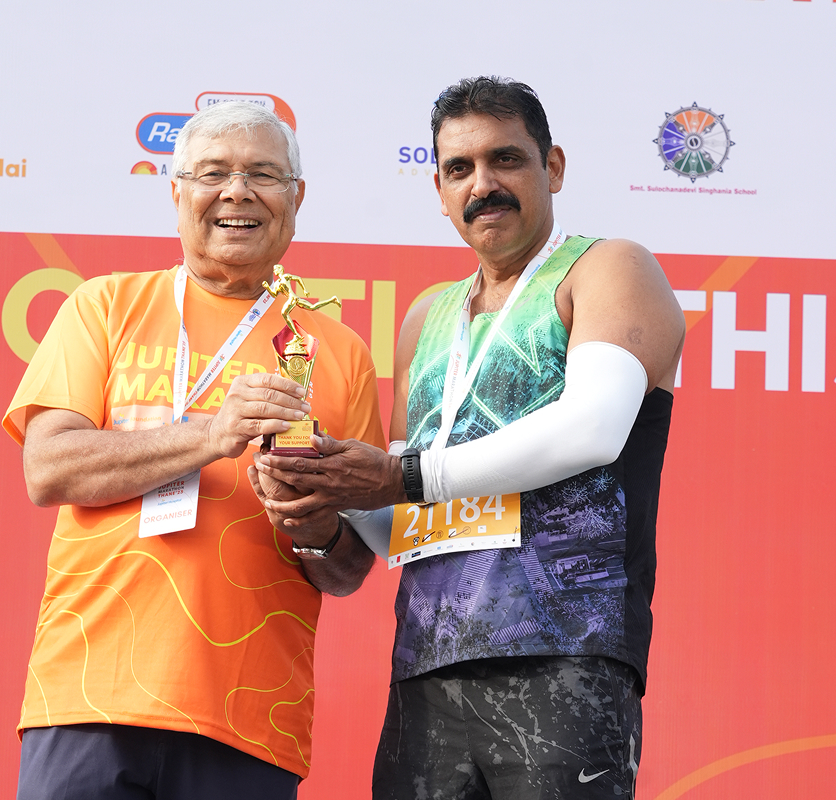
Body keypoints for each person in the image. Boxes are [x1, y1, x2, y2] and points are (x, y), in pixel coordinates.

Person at [255, 77, 685, 799]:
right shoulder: (426, 319)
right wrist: (322, 494)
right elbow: (395, 522)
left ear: (552, 167)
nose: (482, 185)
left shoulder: (607, 267)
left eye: (505, 159)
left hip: (567, 654)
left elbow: (594, 429)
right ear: (440, 189)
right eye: (460, 168)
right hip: (426, 668)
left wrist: (400, 478)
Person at [2, 101, 383, 800]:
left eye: (262, 174)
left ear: (296, 199)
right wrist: (210, 435)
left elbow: (351, 566)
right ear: (176, 193)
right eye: (213, 173)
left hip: (249, 715)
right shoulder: (103, 306)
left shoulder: (338, 351)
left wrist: (309, 522)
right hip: (88, 695)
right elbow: (47, 467)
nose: (237, 192)